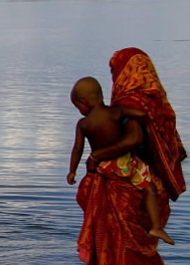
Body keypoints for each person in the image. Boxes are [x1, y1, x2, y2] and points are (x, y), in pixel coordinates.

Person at [74, 48, 186, 265]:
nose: (114, 77)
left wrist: (97, 156)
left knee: (110, 241)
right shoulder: (155, 103)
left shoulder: (128, 101)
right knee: (133, 244)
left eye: (115, 71)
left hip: (124, 181)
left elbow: (134, 138)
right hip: (146, 181)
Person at [67, 76, 173, 245]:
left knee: (98, 196)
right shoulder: (116, 112)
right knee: (149, 188)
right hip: (125, 164)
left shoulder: (83, 124)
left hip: (103, 167)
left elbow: (77, 149)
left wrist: (72, 171)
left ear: (83, 102)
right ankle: (155, 226)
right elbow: (141, 114)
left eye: (77, 106)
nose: (79, 110)